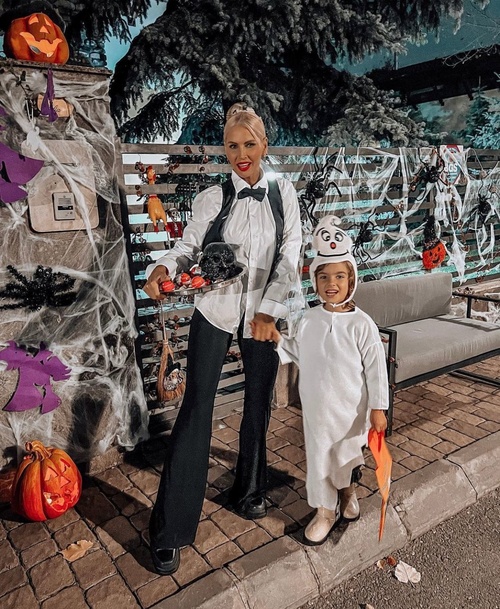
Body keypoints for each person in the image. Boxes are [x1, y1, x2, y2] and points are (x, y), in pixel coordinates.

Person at [143, 103, 302, 575]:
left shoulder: (283, 193)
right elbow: (187, 247)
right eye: (232, 146)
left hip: (263, 313)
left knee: (258, 402)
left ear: (264, 145)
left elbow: (291, 252)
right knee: (196, 409)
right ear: (225, 150)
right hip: (214, 309)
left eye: (249, 144)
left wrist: (271, 308)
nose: (241, 154)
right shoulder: (212, 198)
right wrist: (162, 269)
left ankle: (249, 490)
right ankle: (171, 529)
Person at [268, 215, 388, 546]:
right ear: (314, 280)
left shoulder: (362, 325)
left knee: (344, 459)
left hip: (350, 412)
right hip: (317, 413)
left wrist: (378, 407)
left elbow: (376, 368)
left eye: (339, 276)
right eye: (323, 276)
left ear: (352, 279)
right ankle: (324, 511)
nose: (331, 283)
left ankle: (348, 493)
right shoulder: (309, 319)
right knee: (320, 460)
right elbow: (298, 351)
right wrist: (277, 338)